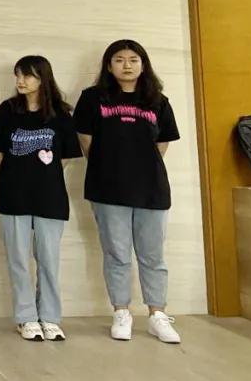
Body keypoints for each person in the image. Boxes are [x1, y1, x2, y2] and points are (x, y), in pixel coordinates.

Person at [73, 39, 181, 344]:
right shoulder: (92, 98)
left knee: (152, 255)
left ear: (143, 65)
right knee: (117, 253)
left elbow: (162, 144)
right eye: (119, 59)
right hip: (107, 187)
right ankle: (121, 312)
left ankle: (157, 315)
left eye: (133, 59)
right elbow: (85, 140)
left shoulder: (158, 100)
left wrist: (139, 167)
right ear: (109, 66)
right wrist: (111, 167)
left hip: (151, 189)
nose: (127, 65)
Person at [0, 55, 80, 342]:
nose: (20, 81)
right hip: (13, 194)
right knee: (18, 260)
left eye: (27, 75)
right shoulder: (7, 110)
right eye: (18, 75)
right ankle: (26, 317)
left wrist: (42, 175)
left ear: (43, 78)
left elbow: (66, 157)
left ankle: (50, 317)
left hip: (50, 196)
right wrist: (19, 174)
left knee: (48, 260)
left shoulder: (62, 114)